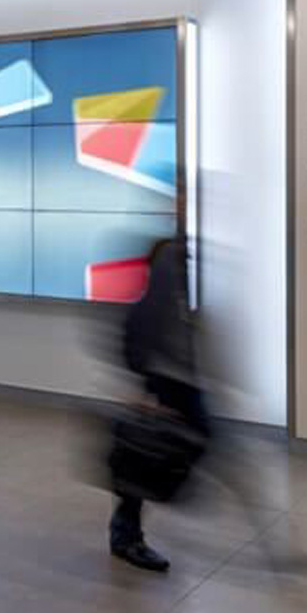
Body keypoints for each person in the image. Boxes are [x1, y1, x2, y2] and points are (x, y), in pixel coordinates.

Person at [109, 237, 209, 573]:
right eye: (181, 262)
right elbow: (133, 353)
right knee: (141, 466)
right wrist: (148, 397)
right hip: (163, 393)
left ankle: (130, 527)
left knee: (172, 455)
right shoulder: (149, 307)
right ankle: (126, 537)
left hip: (182, 391)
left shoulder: (177, 305)